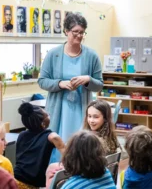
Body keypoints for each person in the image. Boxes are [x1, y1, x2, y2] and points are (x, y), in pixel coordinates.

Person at [38, 13, 103, 163]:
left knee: (82, 146)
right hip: (59, 111)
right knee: (57, 146)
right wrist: (60, 83)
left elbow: (99, 84)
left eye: (82, 32)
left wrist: (87, 80)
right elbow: (42, 81)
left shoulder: (91, 56)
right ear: (66, 31)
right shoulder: (53, 54)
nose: (79, 36)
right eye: (76, 32)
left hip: (81, 110)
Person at [14, 102, 65, 189]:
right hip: (30, 184)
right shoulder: (52, 137)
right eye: (47, 115)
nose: (49, 115)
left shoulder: (22, 135)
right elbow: (67, 154)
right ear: (43, 123)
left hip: (16, 179)